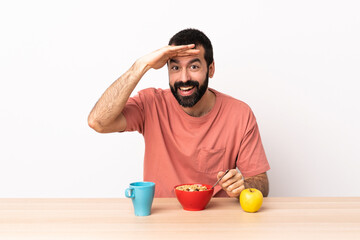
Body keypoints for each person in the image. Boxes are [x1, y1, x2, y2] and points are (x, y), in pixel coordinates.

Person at [88, 28, 270, 198]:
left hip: (216, 222)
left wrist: (243, 186)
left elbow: (261, 183)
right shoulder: (151, 103)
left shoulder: (240, 114)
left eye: (194, 67)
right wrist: (141, 65)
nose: (184, 78)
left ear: (211, 69)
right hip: (160, 222)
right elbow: (98, 122)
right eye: (175, 68)